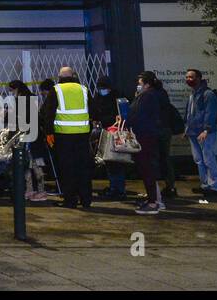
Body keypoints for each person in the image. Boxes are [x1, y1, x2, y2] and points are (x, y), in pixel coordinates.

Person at [47, 67, 92, 209]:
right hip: (83, 136)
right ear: (73, 75)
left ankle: (70, 200)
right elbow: (94, 110)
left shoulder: (57, 90)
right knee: (83, 168)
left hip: (63, 136)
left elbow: (48, 113)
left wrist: (48, 133)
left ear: (59, 77)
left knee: (67, 169)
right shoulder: (83, 89)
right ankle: (86, 199)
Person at [184, 68, 217, 196]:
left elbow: (210, 113)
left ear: (199, 78)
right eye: (187, 77)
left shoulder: (207, 94)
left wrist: (206, 129)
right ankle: (205, 184)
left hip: (204, 132)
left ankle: (215, 186)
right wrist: (187, 129)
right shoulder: (193, 94)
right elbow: (190, 113)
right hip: (193, 132)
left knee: (208, 158)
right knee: (199, 160)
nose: (188, 79)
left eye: (191, 77)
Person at [130, 71, 165, 214]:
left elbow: (138, 115)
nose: (138, 86)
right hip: (148, 135)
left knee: (147, 169)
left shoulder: (147, 96)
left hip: (144, 136)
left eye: (140, 83)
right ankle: (155, 199)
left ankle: (153, 203)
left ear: (147, 84)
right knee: (148, 169)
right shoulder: (152, 95)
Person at [90, 77, 129, 199]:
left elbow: (123, 115)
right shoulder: (99, 97)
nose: (102, 90)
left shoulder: (117, 97)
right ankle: (115, 187)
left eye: (104, 88)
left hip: (116, 133)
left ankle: (118, 189)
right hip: (105, 132)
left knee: (116, 162)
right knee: (109, 162)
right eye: (100, 88)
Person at [8, 80, 48, 201]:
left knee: (34, 164)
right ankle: (31, 190)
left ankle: (40, 191)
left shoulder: (24, 101)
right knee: (29, 164)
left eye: (12, 90)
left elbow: (20, 118)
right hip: (32, 137)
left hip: (31, 138)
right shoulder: (30, 99)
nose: (11, 93)